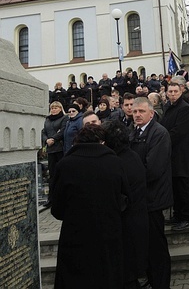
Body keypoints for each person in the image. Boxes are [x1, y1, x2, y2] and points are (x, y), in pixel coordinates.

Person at [51, 124, 130, 289]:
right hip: (108, 235)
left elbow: (57, 207)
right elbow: (125, 198)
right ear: (102, 142)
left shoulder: (65, 165)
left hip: (75, 236)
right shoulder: (115, 162)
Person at [129, 97, 173, 289]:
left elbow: (153, 169)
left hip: (153, 198)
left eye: (141, 111)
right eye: (134, 111)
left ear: (151, 113)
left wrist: (130, 181)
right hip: (140, 199)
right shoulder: (133, 132)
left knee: (156, 247)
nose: (137, 115)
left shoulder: (159, 133)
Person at [103, 120, 149, 289]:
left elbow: (119, 197)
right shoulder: (130, 155)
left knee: (127, 276)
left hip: (128, 227)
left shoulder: (118, 162)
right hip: (136, 223)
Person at [161, 81, 189, 230]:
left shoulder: (184, 108)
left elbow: (179, 131)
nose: (173, 94)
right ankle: (178, 214)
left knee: (182, 185)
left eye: (175, 91)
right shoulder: (169, 107)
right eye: (170, 91)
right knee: (175, 185)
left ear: (181, 91)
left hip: (181, 152)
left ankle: (187, 216)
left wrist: (162, 139)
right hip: (171, 152)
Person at [41, 101, 68, 208]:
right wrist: (46, 140)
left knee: (62, 174)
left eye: (56, 107)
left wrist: (53, 139)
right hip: (51, 150)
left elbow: (63, 130)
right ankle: (51, 199)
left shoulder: (64, 118)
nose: (54, 109)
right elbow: (43, 132)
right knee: (52, 175)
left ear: (60, 108)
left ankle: (63, 199)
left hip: (60, 149)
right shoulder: (47, 119)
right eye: (52, 108)